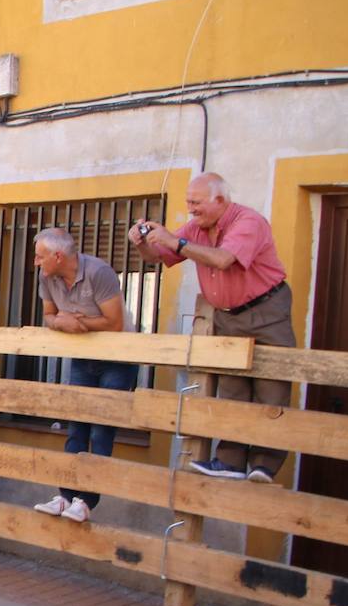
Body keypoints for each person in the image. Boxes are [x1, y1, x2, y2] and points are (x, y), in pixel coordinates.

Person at [131, 172, 294, 484]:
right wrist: (141, 242)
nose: (190, 208)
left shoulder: (249, 222)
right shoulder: (196, 228)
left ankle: (264, 464)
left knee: (271, 387)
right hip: (227, 316)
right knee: (231, 389)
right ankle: (230, 460)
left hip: (266, 311)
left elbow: (222, 259)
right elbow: (160, 256)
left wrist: (174, 240)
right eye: (188, 202)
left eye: (196, 202)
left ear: (220, 200)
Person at [29, 227, 135, 524]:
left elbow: (114, 324)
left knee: (101, 430)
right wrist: (62, 322)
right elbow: (49, 315)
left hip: (118, 359)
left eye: (40, 257)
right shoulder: (47, 277)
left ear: (58, 256)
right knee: (76, 426)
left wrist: (80, 324)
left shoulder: (100, 273)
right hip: (83, 357)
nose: (36, 262)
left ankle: (86, 501)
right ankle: (65, 496)